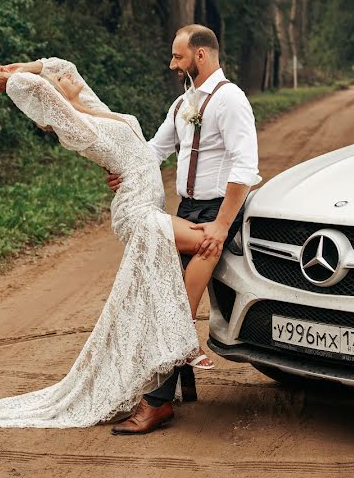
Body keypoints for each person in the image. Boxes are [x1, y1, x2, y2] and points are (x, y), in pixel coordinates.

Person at [0, 56, 221, 429]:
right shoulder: (82, 128)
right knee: (212, 239)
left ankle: (173, 369)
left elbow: (65, 66)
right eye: (61, 82)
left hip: (150, 207)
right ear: (57, 98)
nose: (68, 78)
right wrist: (15, 79)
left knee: (168, 279)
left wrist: (29, 66)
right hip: (138, 215)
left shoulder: (96, 110)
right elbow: (39, 90)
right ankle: (185, 341)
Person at [107, 24, 260, 435]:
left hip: (218, 212)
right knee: (167, 295)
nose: (173, 63)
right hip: (187, 208)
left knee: (174, 305)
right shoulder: (183, 103)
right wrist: (128, 173)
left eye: (178, 57)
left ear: (201, 56)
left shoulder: (231, 100)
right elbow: (155, 149)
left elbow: (245, 167)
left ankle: (157, 404)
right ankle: (178, 385)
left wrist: (222, 225)